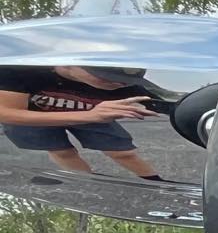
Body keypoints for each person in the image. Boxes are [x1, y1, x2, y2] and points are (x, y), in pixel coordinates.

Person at [0, 65, 167, 180]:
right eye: (106, 77)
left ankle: (156, 182)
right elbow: (6, 113)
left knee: (122, 152)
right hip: (34, 116)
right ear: (67, 63)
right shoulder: (20, 70)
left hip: (95, 112)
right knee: (62, 151)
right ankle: (88, 182)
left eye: (125, 80)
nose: (118, 83)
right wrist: (91, 116)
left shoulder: (123, 83)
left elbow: (168, 106)